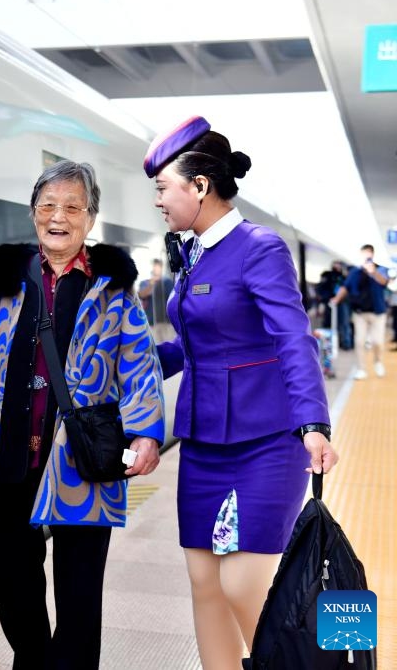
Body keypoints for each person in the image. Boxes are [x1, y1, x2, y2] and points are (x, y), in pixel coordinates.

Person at [0, 161, 164, 669]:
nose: (59, 216)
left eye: (73, 207)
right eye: (49, 205)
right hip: (2, 460)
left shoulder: (113, 288)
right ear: (34, 213)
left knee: (78, 600)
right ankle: (33, 659)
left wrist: (144, 434)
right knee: (13, 585)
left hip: (81, 462)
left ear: (90, 219)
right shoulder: (3, 280)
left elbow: (139, 363)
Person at [142, 116, 339, 670]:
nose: (158, 200)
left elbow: (293, 338)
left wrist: (314, 424)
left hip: (265, 440)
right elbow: (194, 343)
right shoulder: (193, 254)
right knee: (204, 583)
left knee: (242, 582)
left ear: (199, 186)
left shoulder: (260, 248)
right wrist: (133, 370)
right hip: (203, 443)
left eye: (163, 187)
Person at [330, 244, 389, 379]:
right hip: (360, 313)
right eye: (364, 254)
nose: (366, 256)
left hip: (378, 312)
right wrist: (336, 299)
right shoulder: (355, 272)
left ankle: (378, 363)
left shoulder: (380, 269)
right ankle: (362, 369)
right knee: (359, 341)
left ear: (372, 255)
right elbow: (345, 287)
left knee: (377, 341)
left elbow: (384, 282)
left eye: (368, 254)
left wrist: (373, 272)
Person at [138, 258, 175, 341]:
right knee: (156, 347)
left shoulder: (167, 282)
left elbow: (172, 299)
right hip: (152, 323)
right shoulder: (145, 283)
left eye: (158, 267)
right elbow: (141, 295)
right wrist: (151, 284)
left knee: (169, 345)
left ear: (161, 268)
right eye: (155, 267)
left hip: (167, 322)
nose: (156, 269)